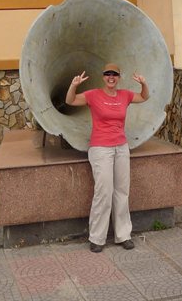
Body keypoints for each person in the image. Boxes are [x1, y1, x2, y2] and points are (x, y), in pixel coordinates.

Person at [65, 62, 149, 253]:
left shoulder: (125, 95)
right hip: (101, 148)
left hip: (121, 147)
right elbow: (70, 101)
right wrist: (74, 85)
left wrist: (143, 83)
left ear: (119, 77)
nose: (111, 77)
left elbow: (144, 97)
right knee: (103, 192)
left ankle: (123, 235)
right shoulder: (93, 95)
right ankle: (97, 237)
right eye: (108, 74)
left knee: (122, 191)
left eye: (115, 74)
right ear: (103, 76)